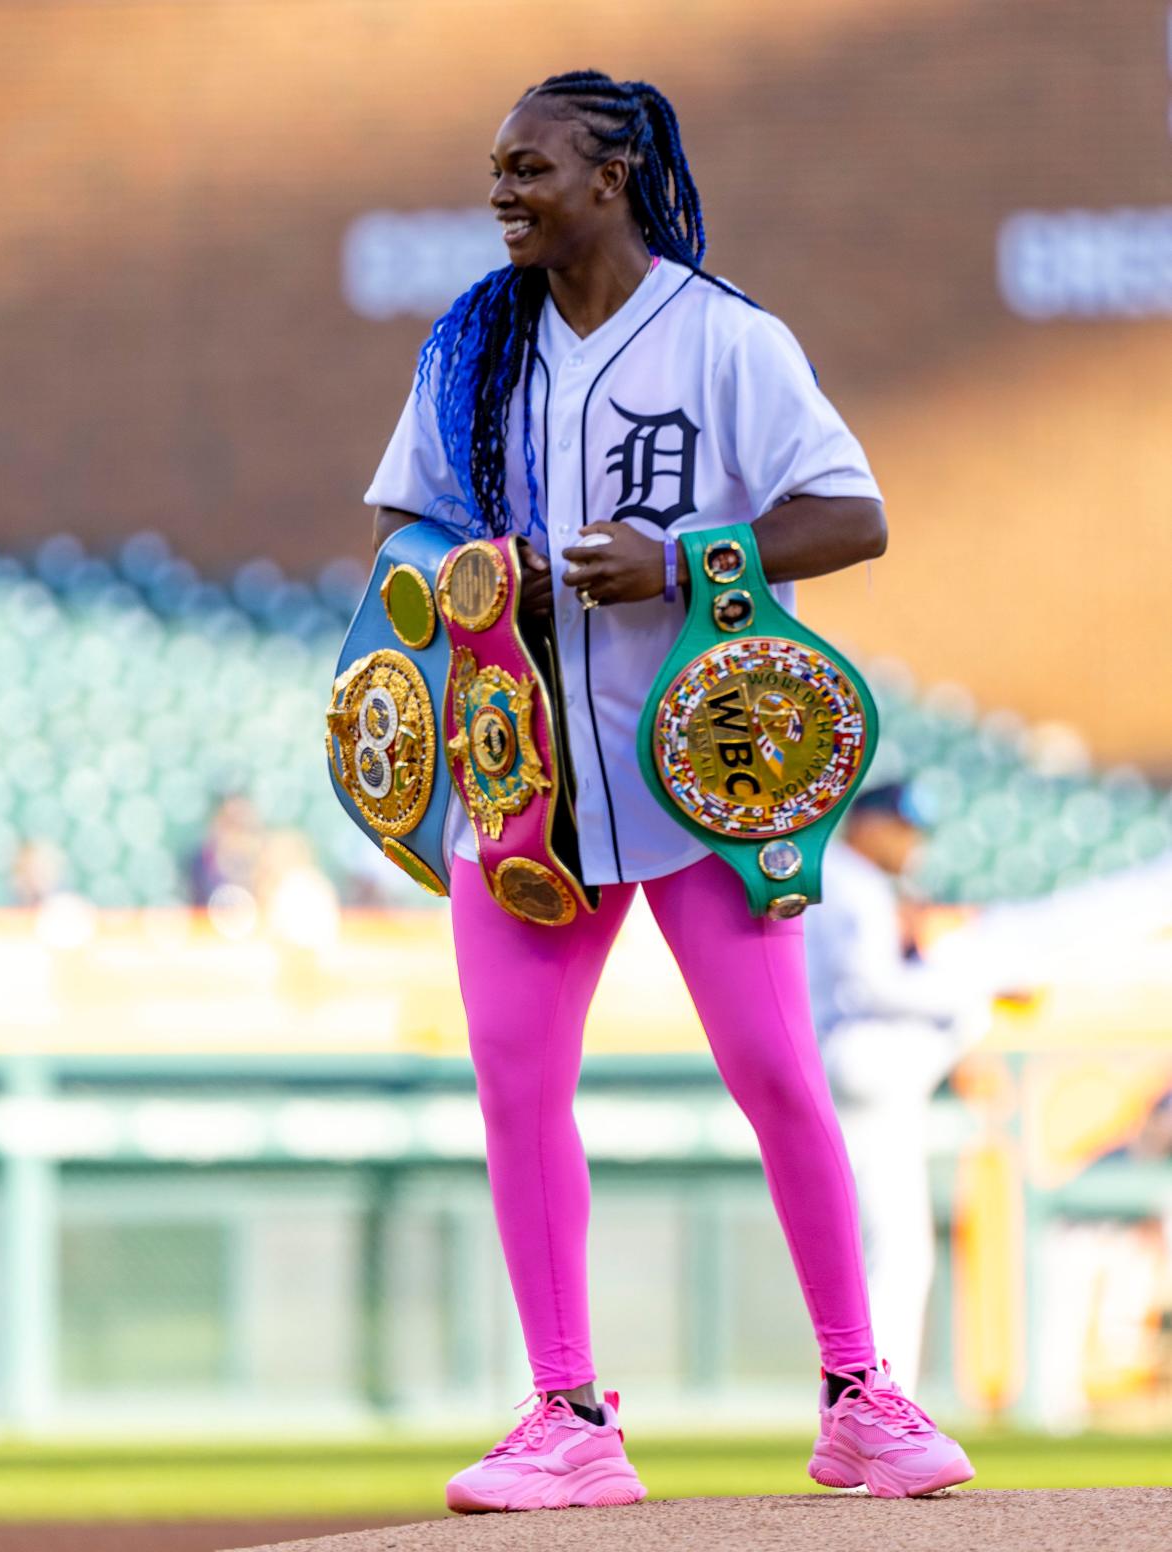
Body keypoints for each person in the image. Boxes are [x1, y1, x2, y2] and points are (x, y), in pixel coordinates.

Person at [365, 70, 973, 1510]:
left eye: (529, 166)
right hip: (521, 790)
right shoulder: (470, 349)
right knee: (518, 1086)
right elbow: (402, 528)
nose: (501, 190)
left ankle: (860, 1396)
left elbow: (851, 514)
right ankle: (567, 1416)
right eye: (494, 167)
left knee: (774, 1073)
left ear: (614, 174)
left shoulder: (726, 340)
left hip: (705, 764)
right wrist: (441, 580)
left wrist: (687, 554)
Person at [805, 784, 992, 1395]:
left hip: (847, 1060)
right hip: (862, 1057)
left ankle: (873, 1399)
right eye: (902, 828)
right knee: (898, 1253)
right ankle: (878, 1404)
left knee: (890, 1250)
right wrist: (964, 979)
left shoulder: (834, 875)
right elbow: (874, 986)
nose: (912, 845)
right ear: (868, 822)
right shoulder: (852, 879)